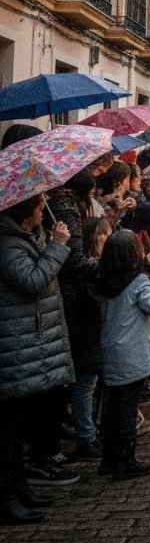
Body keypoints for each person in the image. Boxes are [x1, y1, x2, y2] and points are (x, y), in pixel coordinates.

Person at [0, 195, 74, 524]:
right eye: (39, 204)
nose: (44, 207)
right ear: (24, 209)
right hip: (15, 346)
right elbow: (31, 280)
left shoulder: (23, 236)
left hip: (29, 343)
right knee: (8, 430)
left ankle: (19, 488)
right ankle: (6, 497)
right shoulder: (7, 244)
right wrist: (57, 245)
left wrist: (48, 238)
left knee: (18, 426)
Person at [96, 230, 150, 479]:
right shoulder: (137, 280)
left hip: (111, 348)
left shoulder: (104, 279)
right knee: (128, 409)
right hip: (133, 351)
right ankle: (126, 461)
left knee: (112, 407)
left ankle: (109, 459)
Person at [66, 216, 109, 460]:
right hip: (85, 333)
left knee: (92, 385)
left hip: (92, 333)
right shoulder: (87, 268)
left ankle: (91, 431)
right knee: (85, 385)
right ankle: (86, 437)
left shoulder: (94, 265)